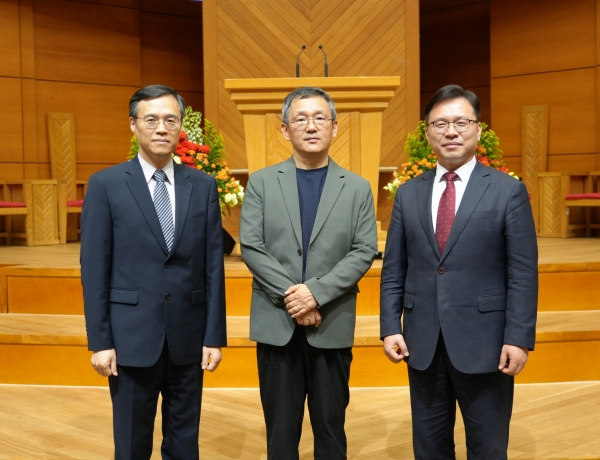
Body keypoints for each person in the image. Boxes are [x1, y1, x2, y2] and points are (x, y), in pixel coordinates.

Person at [380, 84, 538, 459]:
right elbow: (393, 269)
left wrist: (518, 337)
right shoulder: (408, 193)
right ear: (427, 133)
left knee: (487, 448)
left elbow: (522, 272)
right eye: (440, 124)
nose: (451, 132)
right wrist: (390, 325)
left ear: (478, 129)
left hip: (486, 344)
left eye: (461, 122)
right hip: (422, 342)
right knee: (430, 448)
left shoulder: (507, 191)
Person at [80, 84, 226, 459]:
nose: (161, 128)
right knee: (131, 445)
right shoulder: (106, 185)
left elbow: (212, 266)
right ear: (133, 125)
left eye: (170, 120)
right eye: (151, 119)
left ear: (181, 128)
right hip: (130, 340)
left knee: (184, 444)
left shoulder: (204, 185)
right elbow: (94, 268)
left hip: (187, 338)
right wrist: (100, 341)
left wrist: (213, 336)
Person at [240, 86, 378, 460]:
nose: (311, 126)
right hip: (276, 322)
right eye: (300, 119)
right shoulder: (263, 182)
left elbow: (364, 249)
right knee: (281, 433)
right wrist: (296, 298)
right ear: (285, 130)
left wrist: (315, 294)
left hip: (329, 320)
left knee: (331, 429)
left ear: (335, 127)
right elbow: (252, 245)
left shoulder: (358, 188)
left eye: (320, 118)